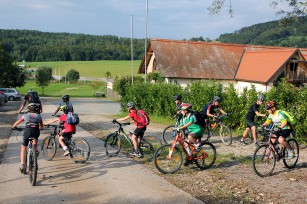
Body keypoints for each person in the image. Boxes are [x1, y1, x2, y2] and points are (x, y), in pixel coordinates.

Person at [12, 103, 43, 173]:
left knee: (23, 147)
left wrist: (13, 127)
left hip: (28, 131)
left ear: (29, 109)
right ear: (37, 109)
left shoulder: (25, 115)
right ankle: (35, 150)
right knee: (35, 138)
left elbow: (18, 122)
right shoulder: (39, 116)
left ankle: (22, 164)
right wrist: (41, 127)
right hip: (36, 131)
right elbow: (42, 126)